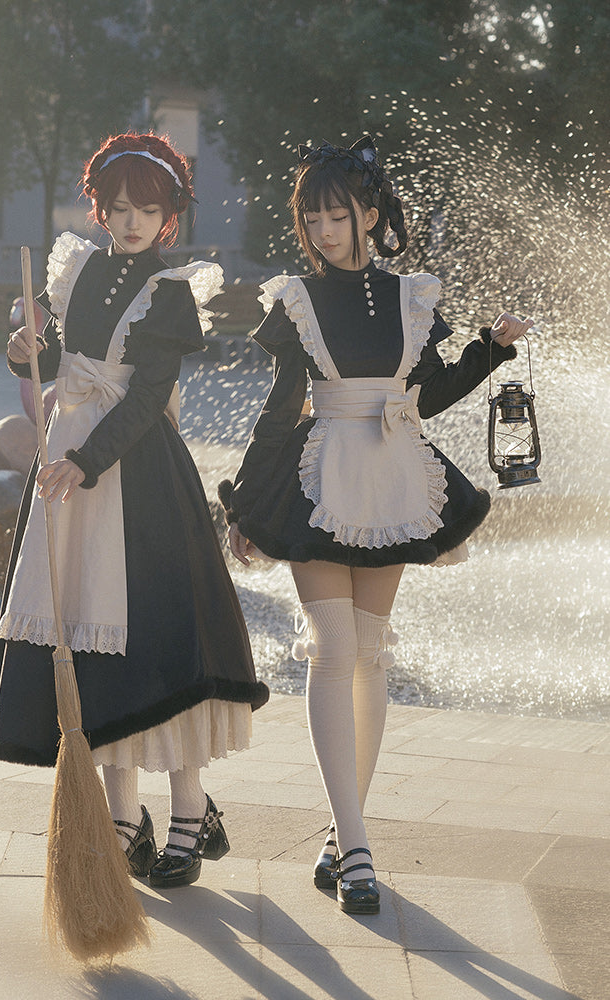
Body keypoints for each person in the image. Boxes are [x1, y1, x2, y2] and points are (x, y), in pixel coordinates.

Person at [219, 136, 532, 915]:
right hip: (319, 474)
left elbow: (422, 398)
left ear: (369, 212)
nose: (325, 230)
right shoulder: (294, 299)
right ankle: (357, 847)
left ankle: (336, 838)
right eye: (311, 217)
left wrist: (490, 352)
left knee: (368, 655)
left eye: (338, 214)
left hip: (391, 472)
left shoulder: (411, 297)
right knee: (331, 651)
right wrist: (244, 503)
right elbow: (278, 409)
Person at [0, 131, 269, 889]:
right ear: (98, 209)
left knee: (158, 649)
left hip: (136, 478)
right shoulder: (72, 269)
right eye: (119, 207)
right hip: (67, 476)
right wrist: (22, 344)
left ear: (169, 215)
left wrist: (84, 461)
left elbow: (145, 399)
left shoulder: (171, 293)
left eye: (148, 207)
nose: (132, 220)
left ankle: (189, 810)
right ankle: (121, 815)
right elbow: (35, 350)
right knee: (88, 643)